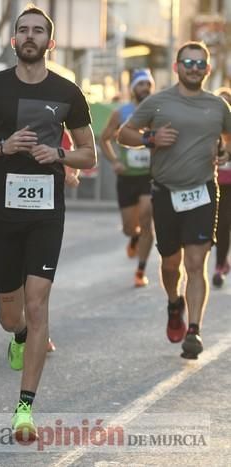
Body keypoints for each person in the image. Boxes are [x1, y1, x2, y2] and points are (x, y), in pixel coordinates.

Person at [0, 6, 96, 441]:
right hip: (2, 213)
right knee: (10, 314)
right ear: (14, 40)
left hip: (46, 215)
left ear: (49, 43)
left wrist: (57, 155)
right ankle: (16, 335)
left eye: (39, 31)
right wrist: (2, 148)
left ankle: (24, 409)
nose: (31, 36)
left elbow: (89, 155)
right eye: (24, 30)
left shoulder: (68, 92)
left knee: (38, 306)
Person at [118, 41, 231, 359]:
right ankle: (173, 303)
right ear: (177, 66)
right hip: (166, 192)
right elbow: (124, 135)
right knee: (171, 264)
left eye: (200, 64)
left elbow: (228, 138)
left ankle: (194, 331)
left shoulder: (218, 106)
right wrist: (149, 139)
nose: (194, 68)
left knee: (197, 264)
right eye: (188, 63)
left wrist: (224, 151)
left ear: (207, 69)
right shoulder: (158, 103)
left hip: (203, 191)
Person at [100, 69, 156, 287]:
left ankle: (140, 271)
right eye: (140, 84)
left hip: (149, 176)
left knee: (146, 216)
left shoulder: (157, 111)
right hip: (127, 177)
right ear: (133, 88)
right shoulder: (121, 113)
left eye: (148, 85)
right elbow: (105, 139)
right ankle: (134, 237)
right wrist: (115, 161)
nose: (145, 89)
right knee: (129, 227)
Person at [212, 87, 231, 287]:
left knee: (225, 224)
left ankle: (220, 264)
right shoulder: (209, 128)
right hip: (212, 183)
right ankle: (221, 262)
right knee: (218, 225)